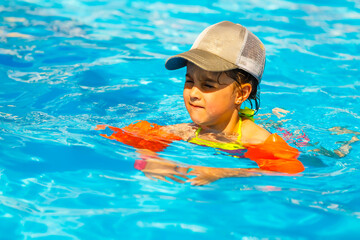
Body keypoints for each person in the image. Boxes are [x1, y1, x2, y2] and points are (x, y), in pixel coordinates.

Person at [97, 21, 305, 185]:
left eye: (208, 85)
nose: (194, 93)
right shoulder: (188, 130)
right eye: (189, 81)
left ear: (241, 94)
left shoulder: (256, 139)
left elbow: (290, 170)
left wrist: (223, 172)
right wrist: (150, 160)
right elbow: (127, 137)